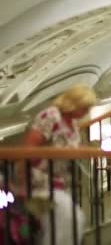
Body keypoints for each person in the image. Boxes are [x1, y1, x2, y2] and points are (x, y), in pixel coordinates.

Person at [21, 84, 96, 244]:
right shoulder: (50, 116)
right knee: (69, 218)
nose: (87, 111)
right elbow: (30, 147)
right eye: (85, 107)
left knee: (65, 223)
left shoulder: (73, 123)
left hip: (58, 181)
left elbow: (68, 145)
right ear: (73, 103)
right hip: (39, 180)